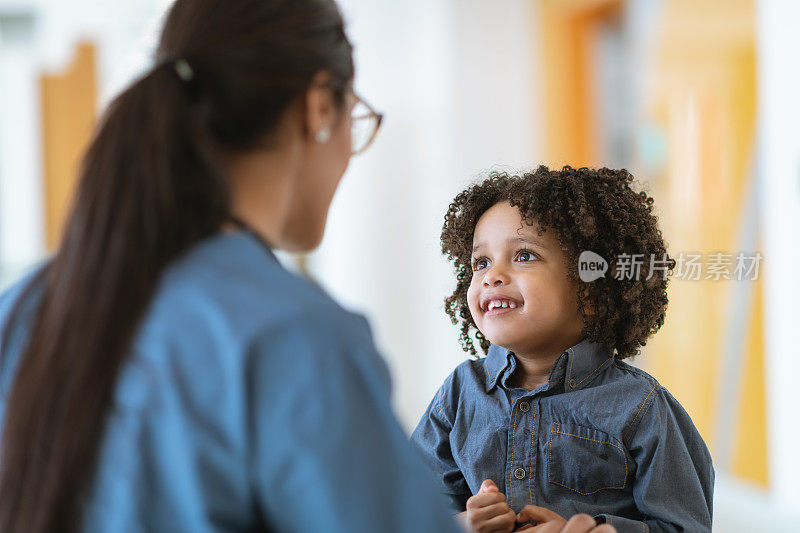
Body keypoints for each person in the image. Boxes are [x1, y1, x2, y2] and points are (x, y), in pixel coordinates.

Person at [0, 0, 618, 531]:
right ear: (320, 106)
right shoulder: (293, 338)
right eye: (356, 120)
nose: (494, 276)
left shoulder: (23, 307)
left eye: (526, 256)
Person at [411, 166, 715, 533]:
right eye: (481, 262)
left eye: (524, 255)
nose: (492, 276)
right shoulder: (458, 395)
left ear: (591, 290)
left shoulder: (642, 407)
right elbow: (403, 508)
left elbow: (685, 526)